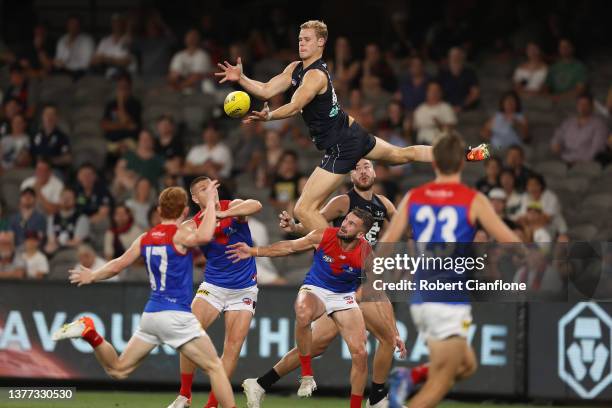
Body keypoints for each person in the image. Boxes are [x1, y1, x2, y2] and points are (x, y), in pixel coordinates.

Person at [215, 20, 489, 233]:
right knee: (402, 155)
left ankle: (345, 257)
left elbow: (296, 106)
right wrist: (242, 79)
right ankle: (470, 153)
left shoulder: (314, 75)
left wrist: (270, 117)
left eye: (308, 40)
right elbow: (264, 90)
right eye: (300, 39)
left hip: (340, 147)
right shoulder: (296, 67)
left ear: (321, 42)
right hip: (352, 133)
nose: (302, 43)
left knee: (303, 210)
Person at [52, 185, 237, 408]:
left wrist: (92, 276)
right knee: (215, 367)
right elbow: (206, 235)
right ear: (185, 212)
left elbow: (117, 265)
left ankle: (89, 332)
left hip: (151, 315)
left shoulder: (145, 237)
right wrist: (208, 203)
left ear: (159, 210)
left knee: (118, 369)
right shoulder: (181, 233)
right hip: (176, 315)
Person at [244, 158, 405, 408]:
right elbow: (316, 227)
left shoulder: (383, 204)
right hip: (339, 280)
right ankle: (262, 383)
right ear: (350, 176)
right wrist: (295, 227)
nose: (363, 171)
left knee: (386, 338)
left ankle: (377, 398)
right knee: (316, 345)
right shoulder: (343, 202)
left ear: (376, 171)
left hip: (363, 277)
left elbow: (402, 231)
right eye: (357, 168)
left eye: (367, 166)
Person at [380, 133, 520, 408]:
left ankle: (408, 377)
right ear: (462, 164)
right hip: (448, 300)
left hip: (421, 298)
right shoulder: (472, 198)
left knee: (467, 364)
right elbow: (510, 240)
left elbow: (386, 244)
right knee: (441, 382)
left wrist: (366, 277)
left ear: (434, 164)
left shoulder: (414, 196)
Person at [227, 208, 375, 408]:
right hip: (316, 288)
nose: (344, 225)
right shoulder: (324, 235)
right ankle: (306, 375)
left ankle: (355, 406)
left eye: (351, 224)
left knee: (360, 353)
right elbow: (288, 247)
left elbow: (374, 285)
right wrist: (253, 251)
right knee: (303, 313)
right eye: (346, 220)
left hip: (343, 296)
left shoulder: (366, 252)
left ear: (361, 234)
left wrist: (392, 332)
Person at [167, 176, 262, 408]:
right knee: (188, 333)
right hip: (214, 287)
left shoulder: (234, 207)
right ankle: (184, 395)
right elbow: (182, 238)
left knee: (232, 347)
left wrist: (223, 214)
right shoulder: (193, 224)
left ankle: (212, 404)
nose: (210, 190)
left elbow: (256, 205)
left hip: (244, 290)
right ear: (195, 198)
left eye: (212, 186)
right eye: (203, 189)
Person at [551, 93, 608, 164]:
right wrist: (556, 144)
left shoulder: (599, 125)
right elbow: (558, 136)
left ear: (591, 106)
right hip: (564, 159)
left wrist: (579, 161)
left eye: (585, 104)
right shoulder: (569, 122)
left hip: (586, 163)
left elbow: (596, 150)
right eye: (580, 104)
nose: (582, 107)